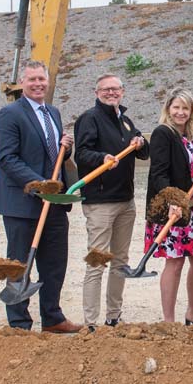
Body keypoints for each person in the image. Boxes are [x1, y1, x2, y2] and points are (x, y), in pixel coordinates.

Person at [0, 60, 79, 333]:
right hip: (22, 203)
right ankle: (19, 323)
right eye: (32, 80)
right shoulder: (9, 114)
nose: (38, 84)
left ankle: (52, 317)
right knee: (19, 263)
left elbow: (53, 157)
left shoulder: (52, 112)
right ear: (22, 83)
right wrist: (39, 185)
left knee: (54, 263)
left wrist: (66, 149)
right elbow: (7, 158)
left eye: (42, 79)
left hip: (53, 203)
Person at [74, 73, 148, 328]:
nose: (111, 93)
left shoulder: (125, 121)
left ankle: (113, 316)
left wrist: (140, 141)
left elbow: (144, 152)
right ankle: (91, 322)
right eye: (105, 89)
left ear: (123, 92)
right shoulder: (89, 118)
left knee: (120, 261)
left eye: (115, 89)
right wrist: (102, 157)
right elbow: (81, 154)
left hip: (126, 201)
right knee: (97, 261)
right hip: (100, 201)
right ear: (97, 93)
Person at [145, 90, 193, 325]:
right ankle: (169, 320)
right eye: (176, 107)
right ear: (168, 109)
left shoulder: (190, 135)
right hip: (172, 208)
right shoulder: (163, 133)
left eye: (186, 108)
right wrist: (173, 200)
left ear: (192, 111)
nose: (181, 112)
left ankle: (192, 313)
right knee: (175, 262)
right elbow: (158, 174)